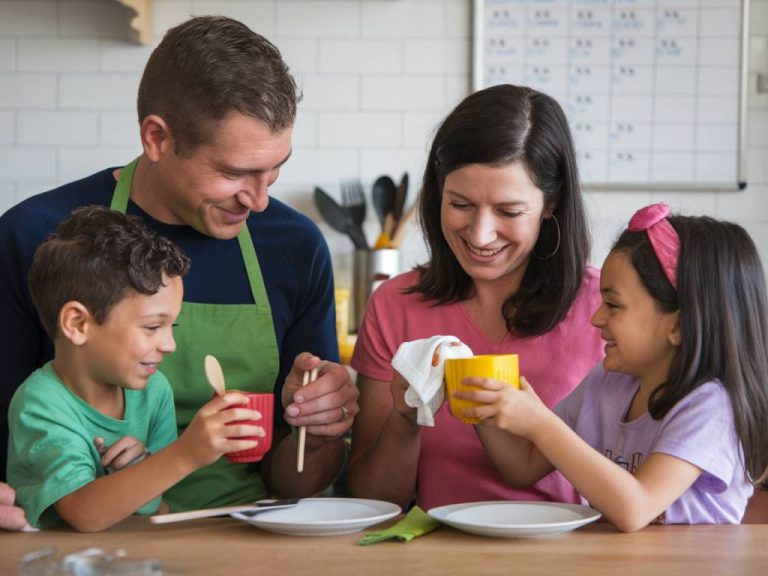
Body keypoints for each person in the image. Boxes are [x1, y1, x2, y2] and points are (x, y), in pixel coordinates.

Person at [0, 15, 358, 523]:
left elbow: (290, 479)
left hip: (245, 542)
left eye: (274, 169)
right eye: (234, 172)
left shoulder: (295, 246)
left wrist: (320, 432)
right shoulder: (35, 236)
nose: (258, 201)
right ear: (157, 138)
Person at [347, 84, 604, 510]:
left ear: (551, 204)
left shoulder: (604, 309)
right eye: (461, 204)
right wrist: (406, 417)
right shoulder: (395, 305)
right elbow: (374, 499)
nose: (481, 235)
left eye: (508, 212)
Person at [459, 204, 768, 530]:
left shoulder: (710, 407)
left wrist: (539, 423)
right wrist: (481, 402)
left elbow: (635, 509)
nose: (597, 318)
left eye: (614, 305)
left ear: (678, 325)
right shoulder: (606, 383)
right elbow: (521, 467)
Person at [8, 206, 271, 532]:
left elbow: (154, 508)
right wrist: (186, 453)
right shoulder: (41, 402)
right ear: (78, 324)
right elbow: (83, 513)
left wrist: (140, 470)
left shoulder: (155, 391)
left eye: (172, 326)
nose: (170, 345)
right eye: (152, 327)